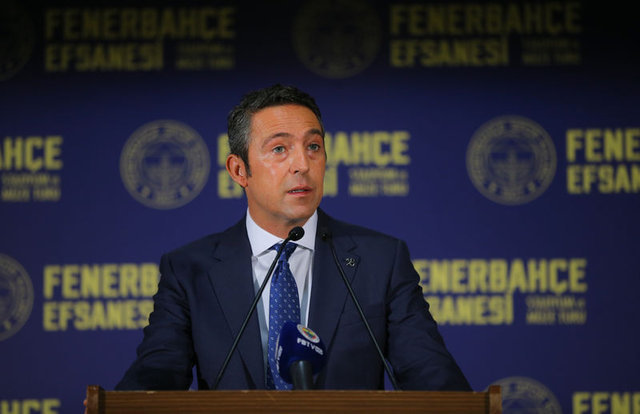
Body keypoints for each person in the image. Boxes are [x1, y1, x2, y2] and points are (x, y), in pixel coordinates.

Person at [115, 84, 470, 391]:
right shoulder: (190, 270)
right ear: (239, 170)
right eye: (279, 149)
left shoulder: (381, 261)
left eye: (313, 146)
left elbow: (430, 372)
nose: (302, 164)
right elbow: (157, 371)